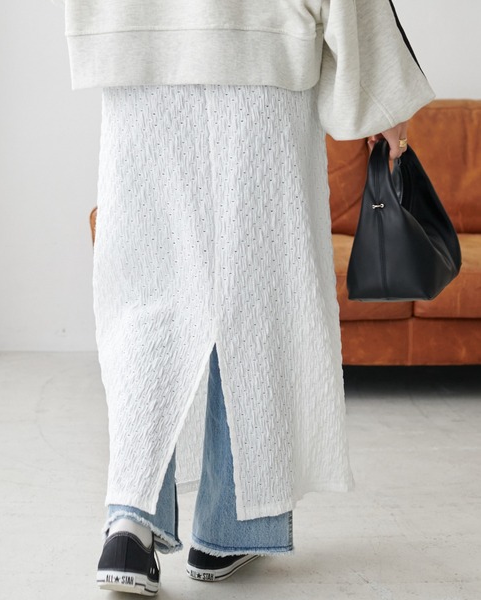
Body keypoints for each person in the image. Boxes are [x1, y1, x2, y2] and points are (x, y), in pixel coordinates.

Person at [60, 0, 435, 595]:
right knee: (256, 295)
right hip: (263, 58)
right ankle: (228, 529)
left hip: (142, 60)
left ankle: (129, 524)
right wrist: (383, 104)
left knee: (147, 299)